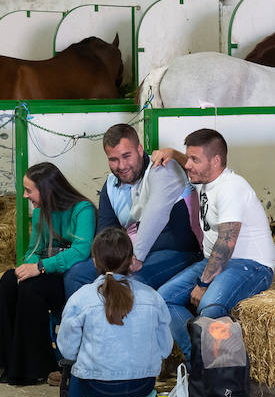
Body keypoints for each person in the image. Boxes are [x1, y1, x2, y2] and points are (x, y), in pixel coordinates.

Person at [154, 129, 275, 360]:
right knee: (163, 299)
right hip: (216, 262)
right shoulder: (206, 180)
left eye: (194, 159)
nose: (188, 165)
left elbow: (227, 242)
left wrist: (203, 284)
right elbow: (189, 164)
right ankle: (197, 363)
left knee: (209, 308)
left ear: (216, 161)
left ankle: (219, 374)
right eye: (188, 158)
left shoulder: (231, 187)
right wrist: (172, 153)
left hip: (251, 265)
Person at [56, 227, 175, 397]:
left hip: (97, 389)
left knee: (75, 370)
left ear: (94, 262)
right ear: (132, 261)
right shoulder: (153, 296)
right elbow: (165, 348)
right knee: (142, 369)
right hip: (141, 386)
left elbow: (67, 350)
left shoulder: (81, 297)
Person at [62, 123, 201, 297]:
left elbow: (156, 213)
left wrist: (136, 257)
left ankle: (118, 323)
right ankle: (83, 322)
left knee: (128, 283)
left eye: (127, 156)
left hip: (176, 252)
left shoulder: (162, 168)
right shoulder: (111, 185)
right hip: (130, 255)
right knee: (76, 274)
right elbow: (106, 232)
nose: (121, 165)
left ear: (140, 150)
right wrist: (100, 256)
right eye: (113, 159)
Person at [0, 162, 94, 384]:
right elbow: (34, 249)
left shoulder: (83, 209)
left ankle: (36, 366)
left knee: (31, 288)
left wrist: (39, 268)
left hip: (69, 277)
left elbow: (80, 251)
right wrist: (26, 268)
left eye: (29, 190)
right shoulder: (41, 212)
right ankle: (12, 361)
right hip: (48, 272)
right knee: (10, 280)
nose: (25, 196)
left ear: (47, 190)